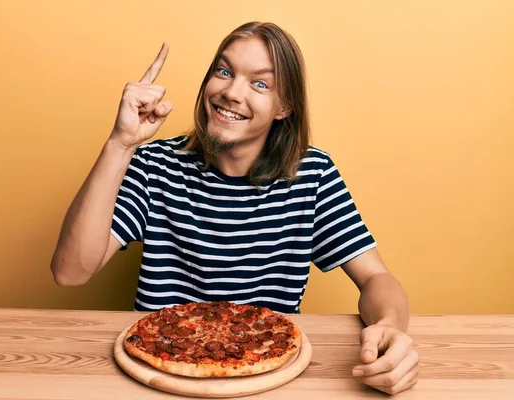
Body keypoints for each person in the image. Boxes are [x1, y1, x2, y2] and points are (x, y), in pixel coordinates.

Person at [50, 22, 419, 395]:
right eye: (224, 72)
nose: (230, 92)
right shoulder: (154, 163)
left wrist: (389, 326)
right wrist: (120, 142)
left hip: (269, 380)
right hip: (156, 379)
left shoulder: (312, 174)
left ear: (284, 107)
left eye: (260, 84)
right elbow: (70, 272)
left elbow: (377, 279)